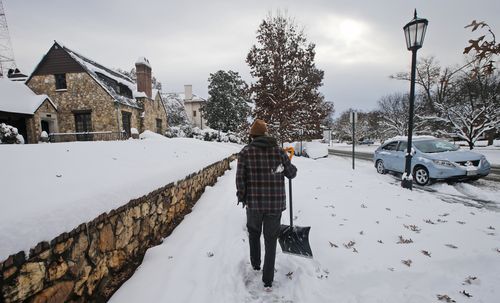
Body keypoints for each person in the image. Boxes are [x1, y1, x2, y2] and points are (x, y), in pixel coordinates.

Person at [236, 119, 297, 291]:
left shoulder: (245, 152)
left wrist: (242, 196)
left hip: (254, 204)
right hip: (274, 205)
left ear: (252, 135)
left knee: (254, 234)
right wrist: (287, 165)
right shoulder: (278, 152)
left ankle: (256, 264)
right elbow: (291, 174)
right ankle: (268, 279)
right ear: (265, 134)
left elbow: (240, 179)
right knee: (271, 240)